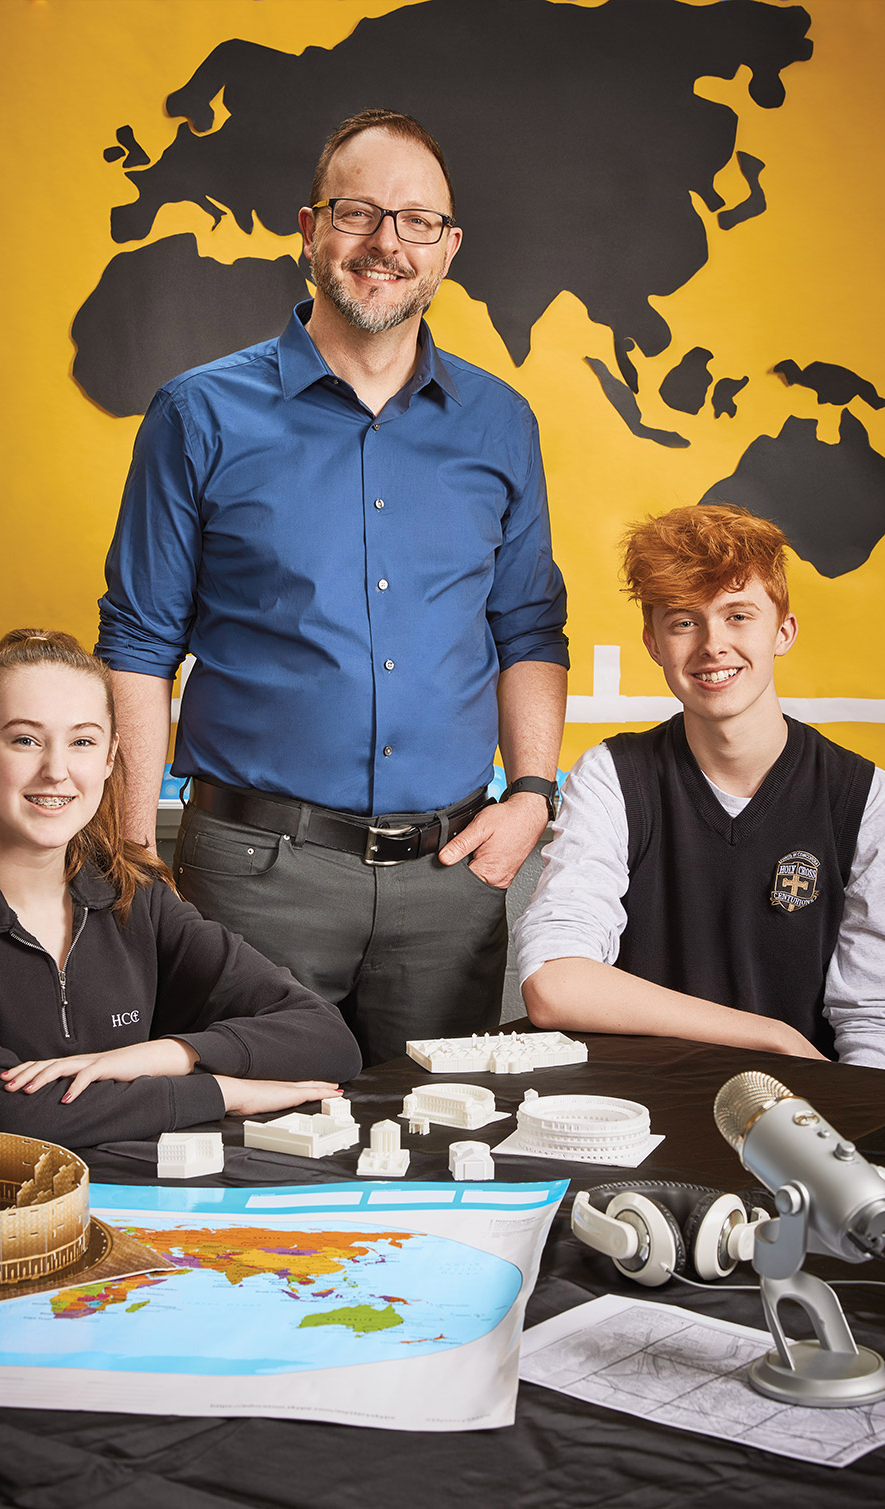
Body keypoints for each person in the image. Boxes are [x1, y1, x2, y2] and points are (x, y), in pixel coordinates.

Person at [96, 109, 569, 1065]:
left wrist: (530, 796)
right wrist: (134, 855)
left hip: (451, 881)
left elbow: (529, 628)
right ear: (310, 230)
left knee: (445, 1158)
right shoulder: (197, 415)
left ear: (447, 251)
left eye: (415, 221)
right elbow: (140, 643)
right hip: (252, 876)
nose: (386, 243)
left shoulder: (501, 425)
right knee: (246, 1159)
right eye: (357, 213)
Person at [0, 630, 362, 1145]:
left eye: (82, 741)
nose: (56, 771)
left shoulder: (137, 894)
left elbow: (327, 1039)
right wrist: (222, 1092)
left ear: (109, 758)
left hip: (134, 1202)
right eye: (25, 740)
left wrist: (158, 1056)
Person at [515, 504, 885, 1070]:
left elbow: (874, 1022)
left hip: (799, 1114)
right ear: (654, 644)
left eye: (739, 616)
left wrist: (843, 1144)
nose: (713, 644)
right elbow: (555, 984)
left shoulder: (867, 801)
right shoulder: (614, 777)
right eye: (684, 621)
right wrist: (769, 1036)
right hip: (637, 1118)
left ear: (783, 632)